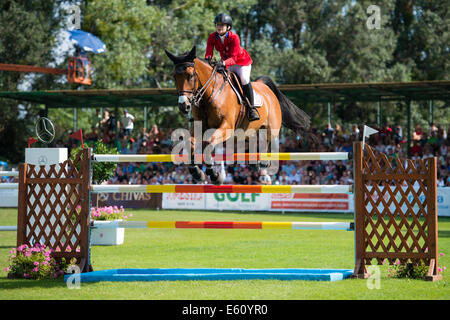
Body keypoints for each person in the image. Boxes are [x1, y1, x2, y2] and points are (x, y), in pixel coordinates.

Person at [205, 12, 260, 122]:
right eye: (217, 25)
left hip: (241, 63)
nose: (219, 27)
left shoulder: (234, 37)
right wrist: (208, 60)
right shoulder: (212, 37)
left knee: (244, 79)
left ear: (228, 27)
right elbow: (208, 53)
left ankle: (251, 108)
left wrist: (223, 63)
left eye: (222, 25)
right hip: (226, 63)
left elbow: (234, 58)